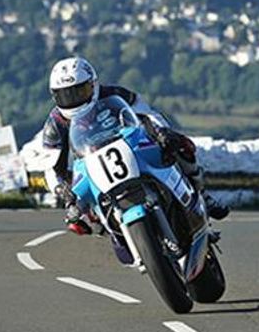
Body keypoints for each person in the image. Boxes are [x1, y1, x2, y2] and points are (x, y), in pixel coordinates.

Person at [41, 56, 228, 234]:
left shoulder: (114, 94)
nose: (73, 99)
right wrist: (61, 189)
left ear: (93, 85)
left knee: (179, 145)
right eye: (65, 95)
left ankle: (202, 194)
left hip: (129, 145)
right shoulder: (55, 123)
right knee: (81, 220)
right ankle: (119, 234)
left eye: (79, 91)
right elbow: (50, 167)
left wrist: (162, 131)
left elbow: (148, 113)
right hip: (90, 164)